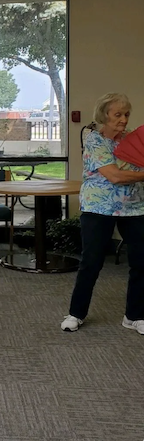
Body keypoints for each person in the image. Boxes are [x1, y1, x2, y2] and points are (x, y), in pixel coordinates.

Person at [61, 93, 144, 333]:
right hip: (99, 207)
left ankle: (134, 316)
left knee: (141, 261)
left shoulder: (133, 140)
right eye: (117, 114)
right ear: (104, 116)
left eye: (126, 114)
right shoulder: (94, 140)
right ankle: (76, 314)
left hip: (134, 207)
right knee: (92, 262)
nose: (123, 119)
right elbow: (115, 175)